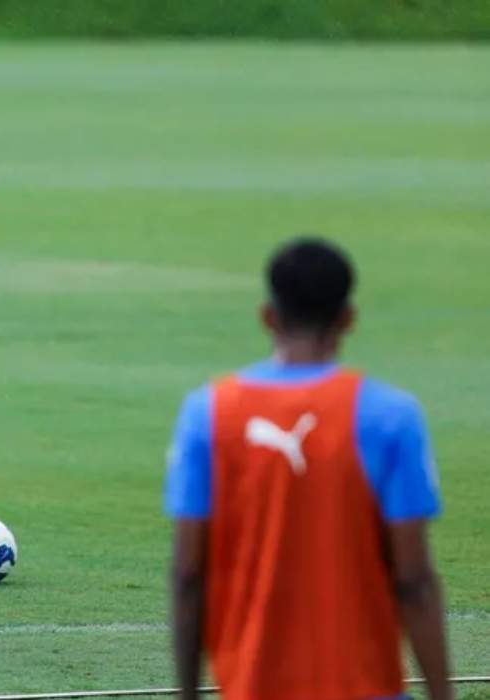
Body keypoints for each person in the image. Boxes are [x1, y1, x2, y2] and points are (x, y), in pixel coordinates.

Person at [165, 238, 452, 700]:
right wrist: (442, 693)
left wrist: (188, 694)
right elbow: (414, 580)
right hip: (365, 686)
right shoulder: (391, 416)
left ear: (268, 316)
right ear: (347, 319)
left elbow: (187, 575)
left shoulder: (209, 413)